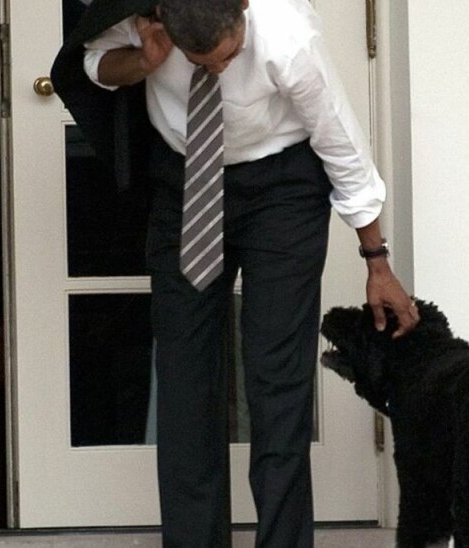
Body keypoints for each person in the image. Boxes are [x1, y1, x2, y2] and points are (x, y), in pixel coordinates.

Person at [52, 0, 419, 546]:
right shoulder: (142, 16)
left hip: (284, 188)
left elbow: (339, 140)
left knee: (277, 381)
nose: (219, 69)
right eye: (204, 61)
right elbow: (90, 67)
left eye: (228, 55)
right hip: (185, 182)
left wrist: (377, 260)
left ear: (243, 9)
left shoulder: (287, 33)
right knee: (183, 382)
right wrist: (143, 61)